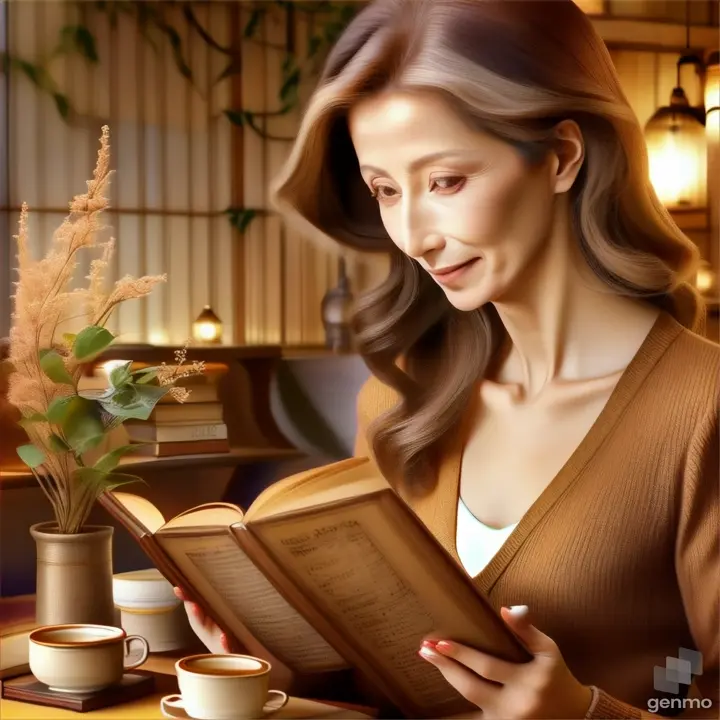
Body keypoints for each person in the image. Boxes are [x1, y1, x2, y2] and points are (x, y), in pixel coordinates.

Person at [177, 1, 719, 717]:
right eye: (386, 191)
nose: (414, 235)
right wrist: (279, 658)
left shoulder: (701, 411)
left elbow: (695, 688)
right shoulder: (408, 403)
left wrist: (582, 712)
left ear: (561, 157)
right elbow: (395, 672)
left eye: (446, 182)